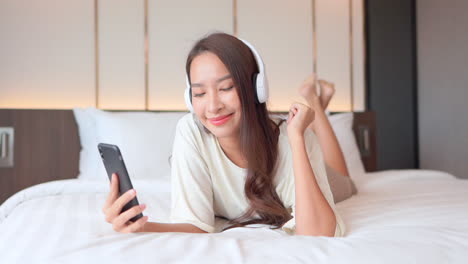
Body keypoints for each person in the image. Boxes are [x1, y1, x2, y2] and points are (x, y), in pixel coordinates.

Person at [102, 32, 348, 237]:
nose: (213, 106)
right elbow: (194, 226)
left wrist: (297, 138)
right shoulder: (192, 132)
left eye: (226, 88)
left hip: (304, 161)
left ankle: (316, 102)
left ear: (255, 89)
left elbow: (319, 233)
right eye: (199, 94)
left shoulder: (293, 140)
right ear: (189, 99)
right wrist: (140, 228)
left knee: (346, 181)